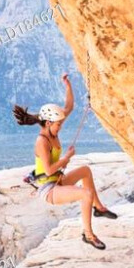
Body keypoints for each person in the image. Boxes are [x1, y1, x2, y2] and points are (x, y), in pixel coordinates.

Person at [13, 73, 117, 250]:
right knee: (85, 194)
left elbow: (69, 106)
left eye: (60, 124)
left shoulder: (52, 129)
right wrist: (66, 159)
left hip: (58, 182)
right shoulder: (42, 142)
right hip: (49, 190)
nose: (60, 127)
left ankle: (99, 208)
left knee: (85, 170)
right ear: (47, 123)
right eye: (57, 125)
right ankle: (88, 235)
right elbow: (48, 171)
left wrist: (67, 85)